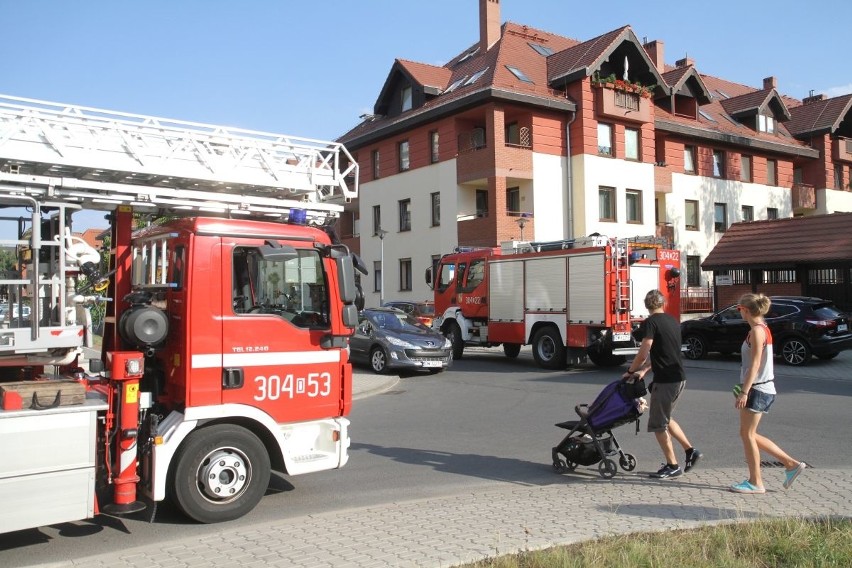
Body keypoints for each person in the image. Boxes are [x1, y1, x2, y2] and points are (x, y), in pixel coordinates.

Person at [730, 293, 806, 494]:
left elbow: (755, 364)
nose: (739, 313)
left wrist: (744, 391)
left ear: (745, 310)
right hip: (762, 387)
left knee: (747, 434)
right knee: (748, 433)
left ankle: (756, 482)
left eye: (739, 309)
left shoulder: (756, 331)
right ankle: (790, 464)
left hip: (758, 388)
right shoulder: (762, 328)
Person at [623, 289, 701, 479]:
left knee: (658, 425)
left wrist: (631, 371)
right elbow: (666, 352)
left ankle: (672, 465)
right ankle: (690, 451)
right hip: (679, 378)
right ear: (663, 303)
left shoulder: (650, 322)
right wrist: (645, 370)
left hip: (666, 381)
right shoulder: (672, 320)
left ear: (646, 305)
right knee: (667, 418)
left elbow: (645, 351)